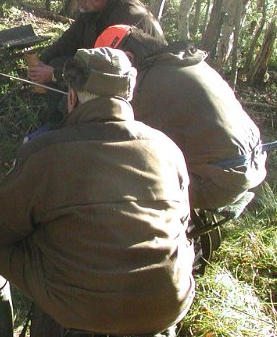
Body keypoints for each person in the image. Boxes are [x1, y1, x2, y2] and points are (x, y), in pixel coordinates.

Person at [0, 47, 195, 337]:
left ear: (71, 96)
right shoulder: (168, 149)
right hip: (166, 304)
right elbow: (183, 222)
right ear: (128, 95)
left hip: (79, 304)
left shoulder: (47, 151)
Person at [94, 25, 267, 210]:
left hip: (216, 183)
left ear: (128, 57)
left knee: (112, 174)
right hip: (252, 166)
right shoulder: (186, 61)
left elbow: (121, 137)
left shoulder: (147, 82)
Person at [26, 0, 164, 88]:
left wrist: (55, 74)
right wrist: (42, 62)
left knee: (62, 75)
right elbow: (69, 40)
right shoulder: (92, 8)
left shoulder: (128, 20)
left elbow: (106, 69)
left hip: (139, 82)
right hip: (104, 65)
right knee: (56, 62)